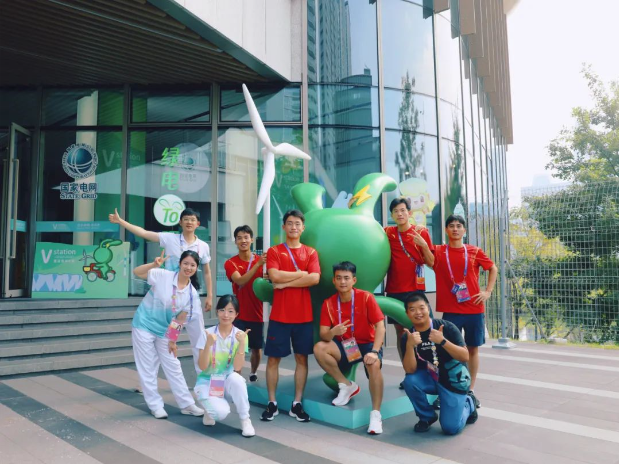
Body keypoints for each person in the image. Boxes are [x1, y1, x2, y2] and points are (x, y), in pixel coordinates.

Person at [109, 207, 212, 376]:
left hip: (189, 297)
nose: (189, 222)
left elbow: (207, 272)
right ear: (180, 222)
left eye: (192, 219)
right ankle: (149, 380)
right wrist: (121, 222)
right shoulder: (170, 238)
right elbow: (144, 233)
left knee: (199, 338)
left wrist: (209, 296)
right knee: (161, 336)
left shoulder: (203, 246)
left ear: (198, 224)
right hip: (167, 297)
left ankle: (203, 377)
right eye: (186, 219)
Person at [432, 214, 497, 409]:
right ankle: (447, 389)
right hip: (451, 310)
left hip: (474, 308)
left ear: (464, 230)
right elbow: (423, 252)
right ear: (446, 230)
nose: (455, 229)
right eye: (451, 226)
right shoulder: (439, 251)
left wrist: (488, 291)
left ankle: (470, 390)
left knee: (472, 349)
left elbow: (492, 268)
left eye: (459, 226)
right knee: (446, 350)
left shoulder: (474, 251)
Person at [261, 210, 320, 422]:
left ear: (303, 228)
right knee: (273, 359)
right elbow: (274, 275)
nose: (293, 227)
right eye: (289, 223)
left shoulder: (310, 252)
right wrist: (301, 274)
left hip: (303, 316)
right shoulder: (275, 251)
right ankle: (272, 403)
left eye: (297, 224)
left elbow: (314, 279)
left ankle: (297, 403)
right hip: (280, 316)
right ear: (284, 227)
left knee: (301, 358)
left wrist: (285, 284)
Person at [131, 249, 205, 419]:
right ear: (179, 264)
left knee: (174, 365)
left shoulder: (192, 294)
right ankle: (155, 405)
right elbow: (137, 272)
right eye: (185, 263)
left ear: (196, 268)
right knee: (148, 367)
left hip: (164, 330)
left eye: (192, 265)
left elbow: (180, 318)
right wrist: (153, 264)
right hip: (144, 325)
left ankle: (187, 404)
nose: (188, 267)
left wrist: (173, 340)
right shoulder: (163, 275)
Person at [314, 261, 385, 435]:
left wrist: (374, 351)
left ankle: (376, 414)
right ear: (334, 281)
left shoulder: (366, 297)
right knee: (319, 348)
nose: (342, 282)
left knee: (373, 365)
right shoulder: (329, 303)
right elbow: (324, 335)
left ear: (354, 280)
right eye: (339, 278)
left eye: (346, 278)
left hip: (368, 344)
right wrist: (333, 332)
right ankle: (346, 385)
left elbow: (380, 327)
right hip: (347, 346)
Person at [401, 292, 477, 435]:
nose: (418, 313)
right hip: (430, 378)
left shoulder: (446, 327)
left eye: (421, 308)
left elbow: (465, 356)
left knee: (450, 428)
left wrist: (442, 341)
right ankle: (426, 417)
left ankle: (468, 403)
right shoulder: (408, 336)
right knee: (410, 381)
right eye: (412, 309)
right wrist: (410, 346)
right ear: (407, 313)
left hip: (452, 379)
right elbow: (410, 370)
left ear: (428, 308)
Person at [384, 197, 434, 389]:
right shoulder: (388, 233)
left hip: (415, 290)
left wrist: (423, 245)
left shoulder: (421, 232)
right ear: (392, 215)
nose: (400, 214)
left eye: (403, 210)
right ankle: (409, 374)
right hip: (395, 290)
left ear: (409, 213)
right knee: (401, 333)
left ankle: (431, 374)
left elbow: (431, 262)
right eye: (396, 211)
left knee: (424, 332)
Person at [195, 295, 256, 437]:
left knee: (237, 379)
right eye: (222, 310)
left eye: (230, 311)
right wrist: (208, 345)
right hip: (207, 382)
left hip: (226, 381)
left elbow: (237, 367)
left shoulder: (240, 336)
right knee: (220, 413)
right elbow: (202, 366)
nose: (226, 315)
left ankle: (245, 420)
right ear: (217, 311)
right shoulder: (207, 334)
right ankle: (210, 409)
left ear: (236, 314)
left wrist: (242, 343)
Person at [224, 225, 267, 382]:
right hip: (239, 314)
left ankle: (253, 372)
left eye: (246, 237)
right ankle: (237, 377)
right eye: (239, 238)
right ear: (235, 241)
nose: (243, 240)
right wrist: (258, 265)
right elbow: (240, 280)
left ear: (251, 240)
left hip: (258, 312)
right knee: (237, 348)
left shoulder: (262, 262)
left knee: (256, 348)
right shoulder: (231, 263)